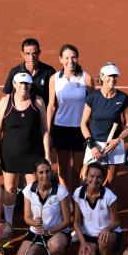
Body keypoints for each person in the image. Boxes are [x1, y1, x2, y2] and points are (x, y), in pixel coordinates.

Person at [0, 72, 50, 225]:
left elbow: (44, 129)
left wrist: (48, 155)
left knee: (33, 189)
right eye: (21, 83)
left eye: (27, 84)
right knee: (10, 188)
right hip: (10, 154)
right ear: (14, 84)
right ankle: (9, 223)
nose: (24, 86)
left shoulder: (37, 102)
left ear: (31, 85)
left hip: (33, 154)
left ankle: (34, 223)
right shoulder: (5, 102)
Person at [47, 44, 95, 192]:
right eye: (66, 57)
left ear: (77, 58)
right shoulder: (54, 79)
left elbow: (93, 105)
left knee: (78, 169)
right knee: (63, 169)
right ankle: (66, 201)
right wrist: (48, 132)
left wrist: (90, 129)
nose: (70, 61)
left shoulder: (86, 78)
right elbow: (51, 106)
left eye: (73, 57)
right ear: (61, 59)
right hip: (61, 128)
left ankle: (77, 199)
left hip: (79, 128)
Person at [14, 159, 71, 255]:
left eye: (47, 171)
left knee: (56, 244)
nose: (45, 175)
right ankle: (41, 252)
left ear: (51, 172)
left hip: (57, 233)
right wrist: (35, 223)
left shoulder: (61, 191)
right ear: (35, 174)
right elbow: (27, 217)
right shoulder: (28, 191)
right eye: (41, 172)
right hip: (36, 234)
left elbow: (67, 220)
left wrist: (49, 230)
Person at [80, 62, 128, 185]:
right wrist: (92, 145)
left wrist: (117, 140)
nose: (112, 79)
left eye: (114, 76)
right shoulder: (93, 97)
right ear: (102, 77)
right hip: (94, 144)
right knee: (85, 180)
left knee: (109, 182)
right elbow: (83, 124)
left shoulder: (123, 98)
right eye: (109, 75)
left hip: (114, 145)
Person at [73, 162, 121, 255]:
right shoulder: (78, 193)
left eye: (98, 177)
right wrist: (82, 242)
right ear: (86, 176)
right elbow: (76, 221)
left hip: (108, 233)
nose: (95, 179)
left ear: (103, 178)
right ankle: (101, 253)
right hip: (89, 235)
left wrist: (107, 228)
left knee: (103, 239)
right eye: (92, 176)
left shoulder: (109, 196)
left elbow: (116, 221)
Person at [2, 38, 56, 106]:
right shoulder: (14, 72)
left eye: (34, 53)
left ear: (39, 53)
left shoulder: (49, 72)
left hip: (43, 114)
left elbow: (55, 99)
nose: (31, 57)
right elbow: (7, 98)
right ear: (22, 54)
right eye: (27, 54)